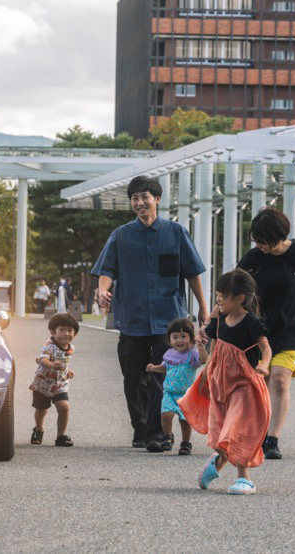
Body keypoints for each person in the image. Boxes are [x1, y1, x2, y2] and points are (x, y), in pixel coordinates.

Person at [92, 175, 207, 452]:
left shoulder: (176, 232)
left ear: (157, 199)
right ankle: (141, 428)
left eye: (145, 197)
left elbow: (192, 272)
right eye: (135, 198)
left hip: (169, 322)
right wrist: (101, 290)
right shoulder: (120, 235)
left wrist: (203, 307)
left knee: (160, 377)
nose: (140, 202)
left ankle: (157, 433)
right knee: (133, 380)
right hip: (132, 318)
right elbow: (107, 270)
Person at [238, 208, 295, 460]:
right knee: (260, 384)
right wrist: (213, 316)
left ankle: (272, 438)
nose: (261, 246)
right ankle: (257, 433)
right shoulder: (253, 258)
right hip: (257, 333)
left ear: (279, 235)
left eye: (264, 241)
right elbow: (233, 289)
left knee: (279, 379)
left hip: (290, 330)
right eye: (257, 242)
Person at [180, 269, 272, 495]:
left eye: (224, 294)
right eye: (217, 294)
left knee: (236, 429)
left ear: (240, 298)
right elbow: (213, 352)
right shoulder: (218, 323)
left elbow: (266, 348)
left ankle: (244, 478)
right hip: (220, 385)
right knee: (219, 432)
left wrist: (265, 364)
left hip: (244, 387)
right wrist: (204, 373)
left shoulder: (251, 323)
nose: (218, 299)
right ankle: (220, 460)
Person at [145, 318, 208, 455]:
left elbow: (204, 361)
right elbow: (165, 367)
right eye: (175, 337)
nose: (179, 340)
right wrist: (154, 368)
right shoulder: (169, 354)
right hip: (169, 392)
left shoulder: (192, 354)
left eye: (183, 336)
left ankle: (186, 443)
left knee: (185, 420)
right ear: (169, 340)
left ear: (191, 338)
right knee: (166, 414)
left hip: (186, 395)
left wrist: (201, 346)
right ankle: (167, 436)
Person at [29, 313, 79, 447]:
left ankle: (61, 436)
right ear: (53, 331)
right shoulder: (49, 345)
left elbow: (64, 361)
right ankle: (38, 429)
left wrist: (68, 370)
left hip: (59, 384)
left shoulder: (71, 348)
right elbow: (41, 359)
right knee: (41, 410)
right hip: (43, 384)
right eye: (62, 330)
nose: (66, 334)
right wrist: (51, 364)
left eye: (70, 330)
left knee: (64, 407)